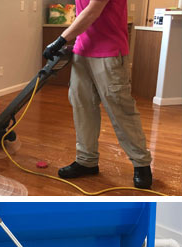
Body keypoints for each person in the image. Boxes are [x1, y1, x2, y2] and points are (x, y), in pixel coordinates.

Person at [43, 0, 152, 189]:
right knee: (82, 107)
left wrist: (61, 39)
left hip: (109, 53)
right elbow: (82, 13)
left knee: (121, 110)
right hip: (82, 51)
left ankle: (141, 163)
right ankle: (86, 161)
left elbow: (93, 11)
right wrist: (74, 42)